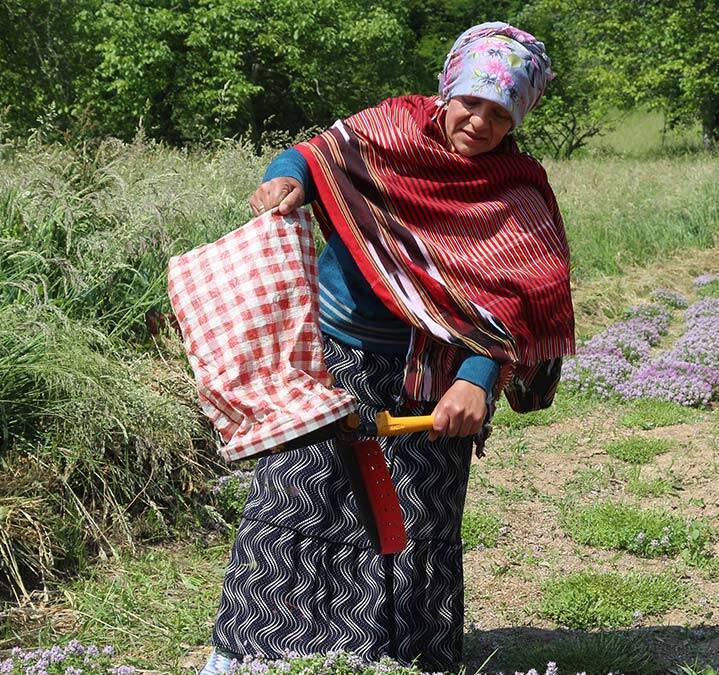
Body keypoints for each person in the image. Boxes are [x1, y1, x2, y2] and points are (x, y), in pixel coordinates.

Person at [200, 21, 574, 674]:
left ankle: (392, 659)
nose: (480, 121)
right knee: (291, 501)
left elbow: (516, 305)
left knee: (407, 524)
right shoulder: (392, 130)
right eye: (472, 102)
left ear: (516, 118)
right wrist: (283, 179)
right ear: (449, 89)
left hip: (436, 384)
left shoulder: (517, 194)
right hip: (330, 357)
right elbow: (313, 156)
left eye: (499, 112)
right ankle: (244, 658)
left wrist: (478, 379)